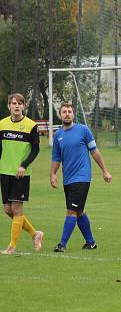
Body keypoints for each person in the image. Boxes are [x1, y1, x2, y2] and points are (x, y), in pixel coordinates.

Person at [50, 102, 113, 252]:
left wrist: (105, 171)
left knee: (71, 211)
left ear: (73, 114)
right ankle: (91, 242)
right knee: (79, 211)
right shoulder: (58, 135)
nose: (67, 114)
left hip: (82, 177)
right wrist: (53, 174)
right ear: (60, 115)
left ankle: (62, 244)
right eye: (64, 111)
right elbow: (56, 157)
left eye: (69, 111)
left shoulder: (83, 130)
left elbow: (95, 151)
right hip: (68, 179)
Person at [0, 93, 44, 255]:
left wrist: (24, 165)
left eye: (19, 103)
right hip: (4, 171)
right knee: (7, 209)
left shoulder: (31, 125)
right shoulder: (2, 124)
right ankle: (35, 234)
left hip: (21, 174)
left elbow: (36, 149)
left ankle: (12, 246)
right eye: (13, 103)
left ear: (24, 106)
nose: (16, 106)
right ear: (9, 106)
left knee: (17, 209)